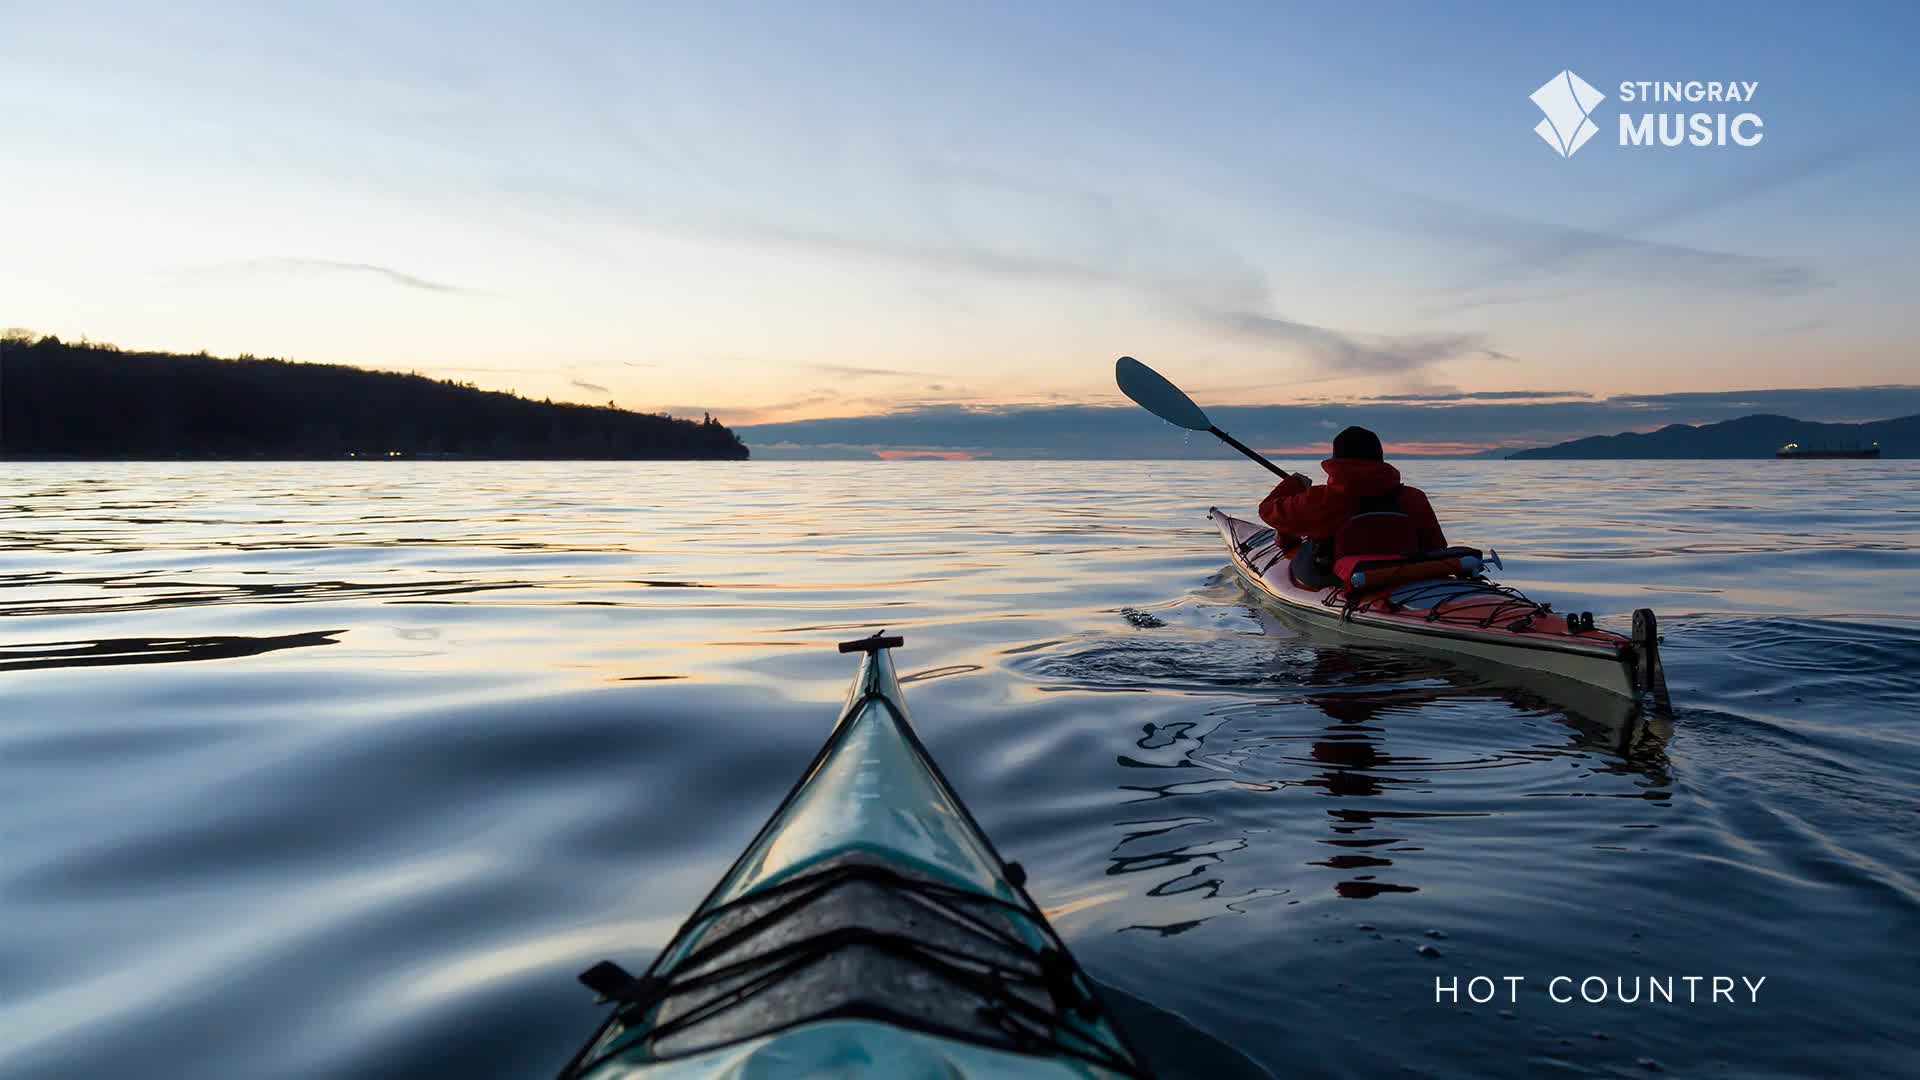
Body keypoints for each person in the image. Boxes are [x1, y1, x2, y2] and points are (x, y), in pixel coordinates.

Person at [1258, 425, 1447, 588]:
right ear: (1379, 458)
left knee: (1302, 544)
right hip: (1404, 577)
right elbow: (1436, 546)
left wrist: (1296, 484)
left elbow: (1267, 510)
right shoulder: (1413, 497)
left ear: (1335, 461)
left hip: (1340, 580)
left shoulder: (1321, 499)